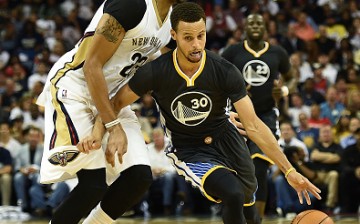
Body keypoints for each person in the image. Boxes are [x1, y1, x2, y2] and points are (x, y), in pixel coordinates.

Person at [78, 3, 321, 224]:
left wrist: (290, 171)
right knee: (233, 194)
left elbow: (254, 125)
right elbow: (116, 101)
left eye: (201, 36)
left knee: (248, 204)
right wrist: (100, 131)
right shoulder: (156, 72)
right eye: (188, 38)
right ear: (173, 36)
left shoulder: (224, 70)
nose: (196, 45)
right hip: (190, 149)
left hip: (228, 139)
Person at [36, 0, 184, 223]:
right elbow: (91, 66)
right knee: (92, 184)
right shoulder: (132, 5)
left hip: (112, 95)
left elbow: (175, 73)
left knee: (139, 177)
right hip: (76, 87)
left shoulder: (173, 18)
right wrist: (112, 127)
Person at [221, 13, 294, 219]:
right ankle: (238, 214)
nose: (254, 26)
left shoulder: (277, 53)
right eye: (251, 22)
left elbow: (292, 77)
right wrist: (233, 87)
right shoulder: (233, 51)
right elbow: (216, 75)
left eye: (259, 23)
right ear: (244, 27)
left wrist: (285, 91)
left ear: (266, 28)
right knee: (239, 169)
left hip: (266, 115)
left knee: (259, 166)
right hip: (238, 114)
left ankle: (256, 219)